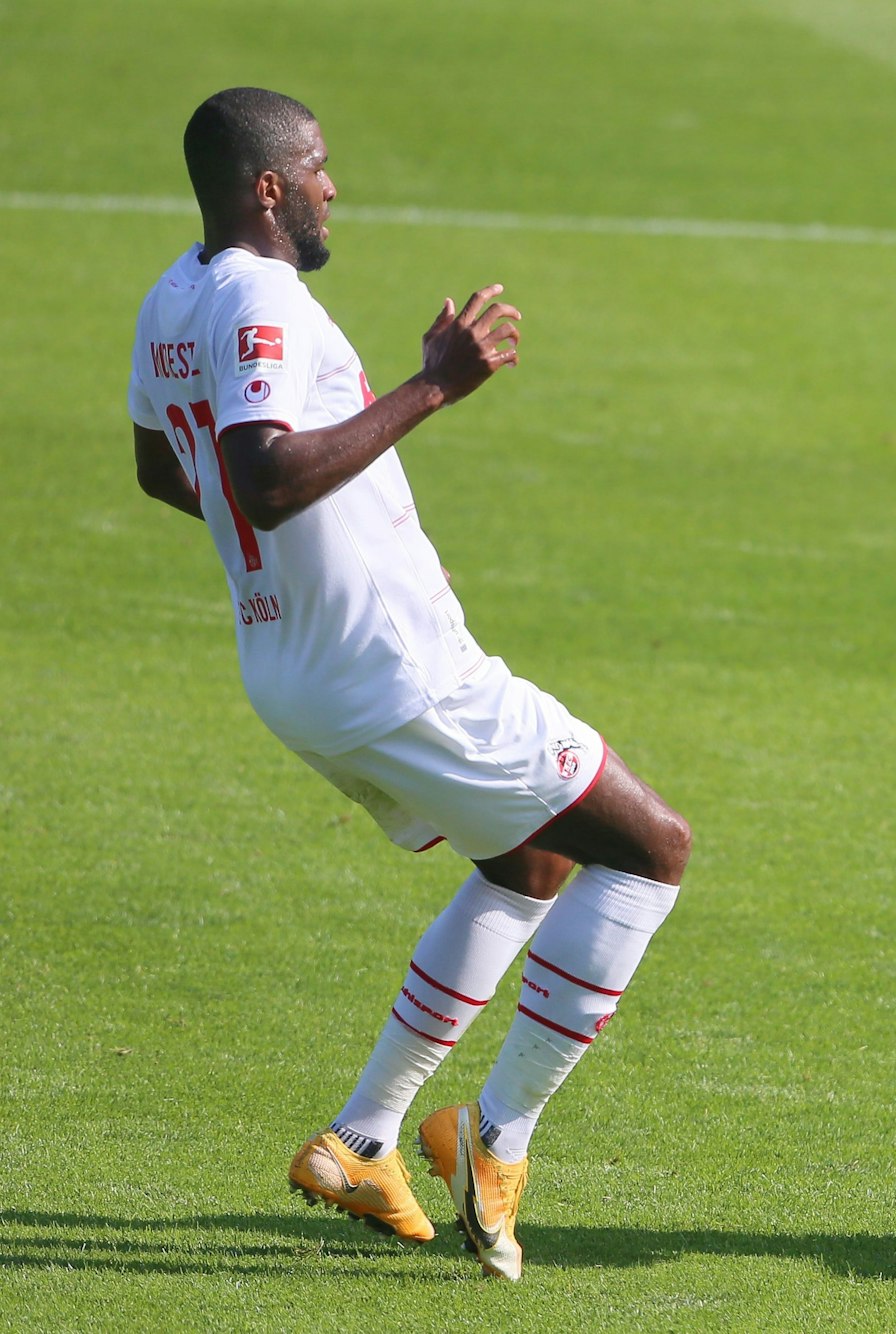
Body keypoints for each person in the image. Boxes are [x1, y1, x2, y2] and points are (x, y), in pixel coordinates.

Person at [127, 87, 692, 1282]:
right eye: (318, 167)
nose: (333, 186)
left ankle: (364, 1137)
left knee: (529, 859)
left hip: (293, 668)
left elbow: (166, 469)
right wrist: (434, 383)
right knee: (651, 849)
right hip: (392, 666)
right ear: (269, 186)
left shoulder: (173, 297)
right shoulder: (264, 299)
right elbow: (263, 475)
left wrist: (282, 557)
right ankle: (498, 1137)